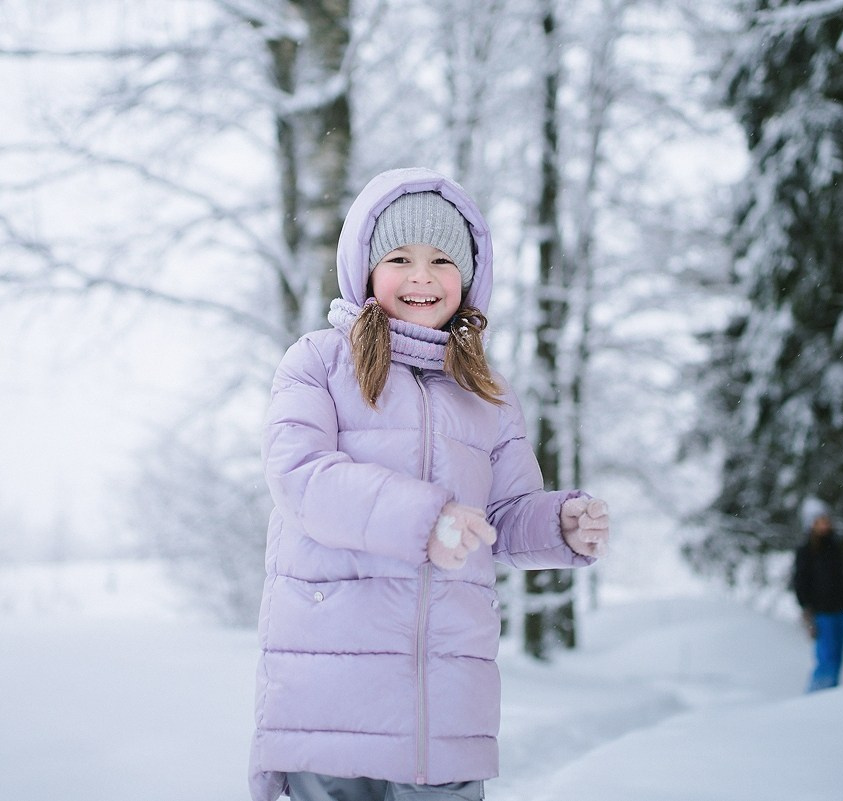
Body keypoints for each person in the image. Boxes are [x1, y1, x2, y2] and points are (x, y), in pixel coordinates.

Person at [248, 167, 610, 801]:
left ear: (468, 278)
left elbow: (502, 515)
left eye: (443, 259)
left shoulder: (486, 395)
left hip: (444, 705)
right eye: (400, 257)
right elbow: (300, 477)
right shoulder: (317, 364)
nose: (422, 276)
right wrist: (426, 521)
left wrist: (557, 524)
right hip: (335, 693)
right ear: (364, 267)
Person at [791, 497, 843, 692]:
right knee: (826, 658)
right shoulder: (806, 551)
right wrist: (807, 609)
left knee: (838, 657)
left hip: (841, 609)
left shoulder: (836, 547)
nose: (824, 524)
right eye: (819, 521)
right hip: (822, 613)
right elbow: (800, 582)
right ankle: (817, 696)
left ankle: (832, 695)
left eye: (826, 520)